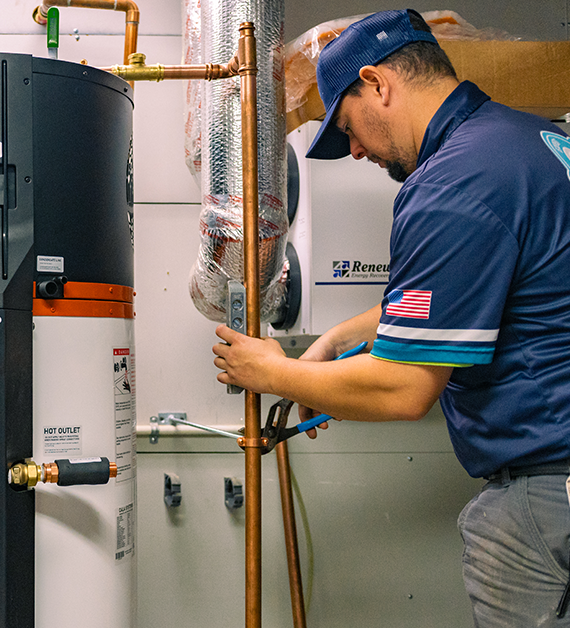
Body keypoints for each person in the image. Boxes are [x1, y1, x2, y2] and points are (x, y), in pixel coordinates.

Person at [212, 8, 570, 626]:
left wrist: (271, 372)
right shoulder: (527, 144)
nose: (353, 150)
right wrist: (333, 341)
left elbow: (405, 388)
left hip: (547, 487)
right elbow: (456, 295)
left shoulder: (453, 182)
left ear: (377, 83)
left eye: (347, 127)